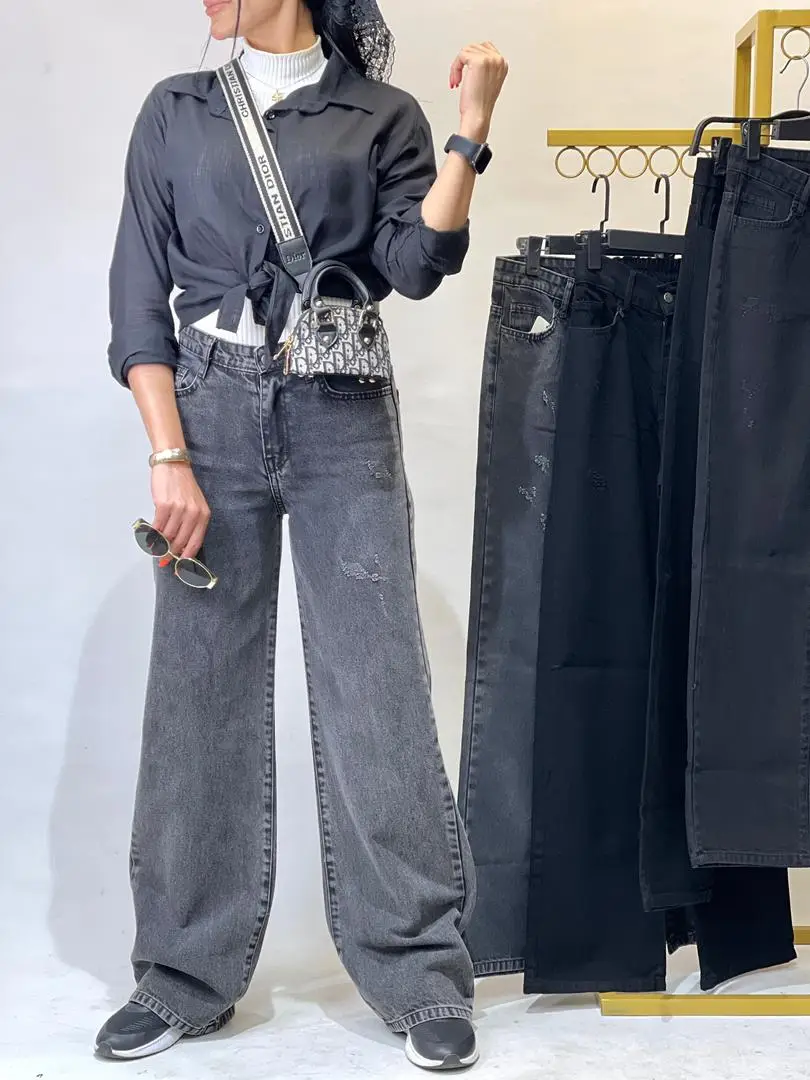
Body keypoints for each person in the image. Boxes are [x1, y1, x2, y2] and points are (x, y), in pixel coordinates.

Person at [95, 0, 507, 1070]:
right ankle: (182, 973)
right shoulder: (177, 110)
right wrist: (170, 454)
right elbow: (138, 293)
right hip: (206, 413)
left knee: (376, 683)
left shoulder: (381, 113)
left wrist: (469, 130)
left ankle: (418, 971)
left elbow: (417, 264)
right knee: (199, 687)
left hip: (339, 408)